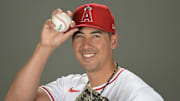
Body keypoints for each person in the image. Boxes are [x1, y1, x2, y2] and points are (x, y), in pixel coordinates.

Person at [5, 3, 164, 101]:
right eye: (79, 36)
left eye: (96, 35)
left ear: (113, 41)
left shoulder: (137, 94)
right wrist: (45, 46)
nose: (86, 45)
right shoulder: (68, 85)